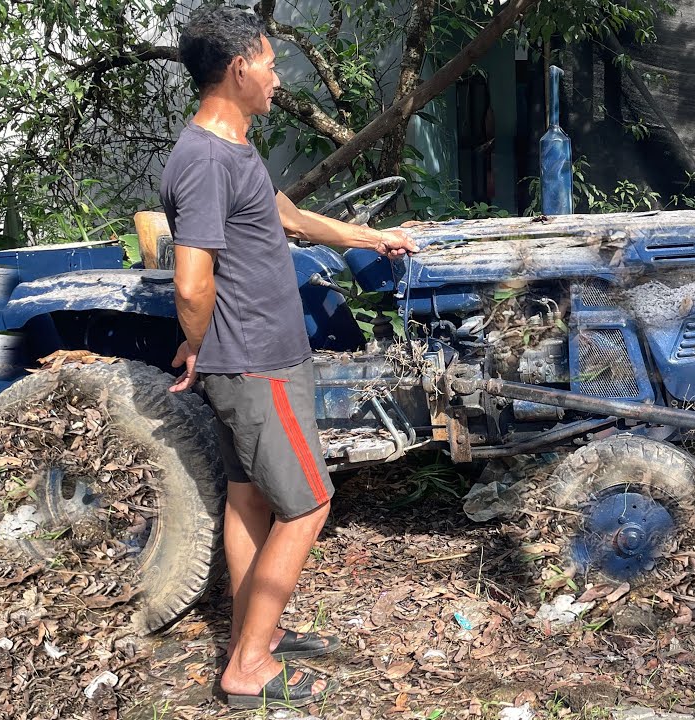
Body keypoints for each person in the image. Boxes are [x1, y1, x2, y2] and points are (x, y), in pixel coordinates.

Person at [160, 5, 418, 708]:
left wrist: (373, 238)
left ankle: (255, 632)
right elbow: (190, 280)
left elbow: (292, 218)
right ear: (240, 67)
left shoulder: (233, 147)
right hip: (256, 364)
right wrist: (196, 340)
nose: (277, 77)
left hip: (261, 357)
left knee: (249, 501)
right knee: (308, 507)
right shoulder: (206, 160)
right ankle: (246, 670)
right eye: (271, 63)